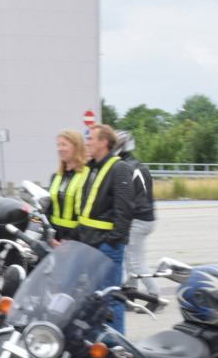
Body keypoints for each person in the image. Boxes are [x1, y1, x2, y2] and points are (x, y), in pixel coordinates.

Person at [73, 124, 134, 334]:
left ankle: (115, 348)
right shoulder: (92, 168)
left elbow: (125, 211)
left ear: (104, 142)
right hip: (89, 245)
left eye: (90, 139)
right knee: (93, 300)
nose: (87, 143)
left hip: (106, 248)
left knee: (111, 301)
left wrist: (112, 241)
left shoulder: (120, 168)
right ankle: (97, 344)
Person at [116, 131, 163, 309]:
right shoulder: (136, 164)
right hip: (146, 217)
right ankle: (130, 295)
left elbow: (126, 197)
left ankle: (155, 296)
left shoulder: (124, 167)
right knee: (129, 258)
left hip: (138, 219)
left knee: (135, 261)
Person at [47, 129, 88, 247]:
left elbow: (88, 214)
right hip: (55, 240)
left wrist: (70, 239)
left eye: (64, 145)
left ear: (76, 147)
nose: (59, 149)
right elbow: (48, 209)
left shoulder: (87, 175)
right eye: (58, 145)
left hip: (76, 240)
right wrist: (50, 238)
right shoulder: (56, 176)